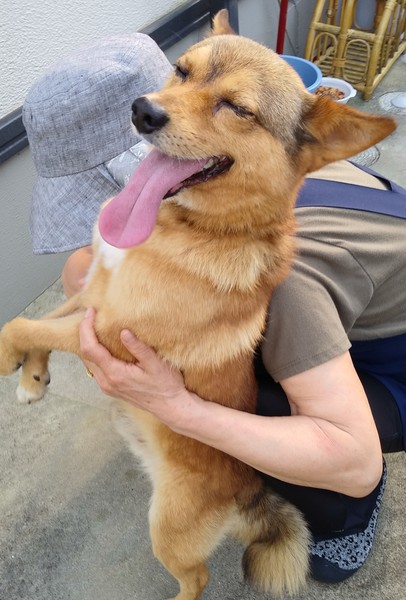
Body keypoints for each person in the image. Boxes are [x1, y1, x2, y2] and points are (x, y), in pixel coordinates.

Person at [23, 33, 405, 586]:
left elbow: (354, 458)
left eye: (234, 106)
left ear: (307, 145)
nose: (162, 107)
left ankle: (347, 515)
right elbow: (91, 271)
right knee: (101, 278)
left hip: (391, 365)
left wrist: (179, 409)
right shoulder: (224, 178)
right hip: (371, 256)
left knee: (226, 390)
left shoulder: (287, 283)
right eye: (183, 72)